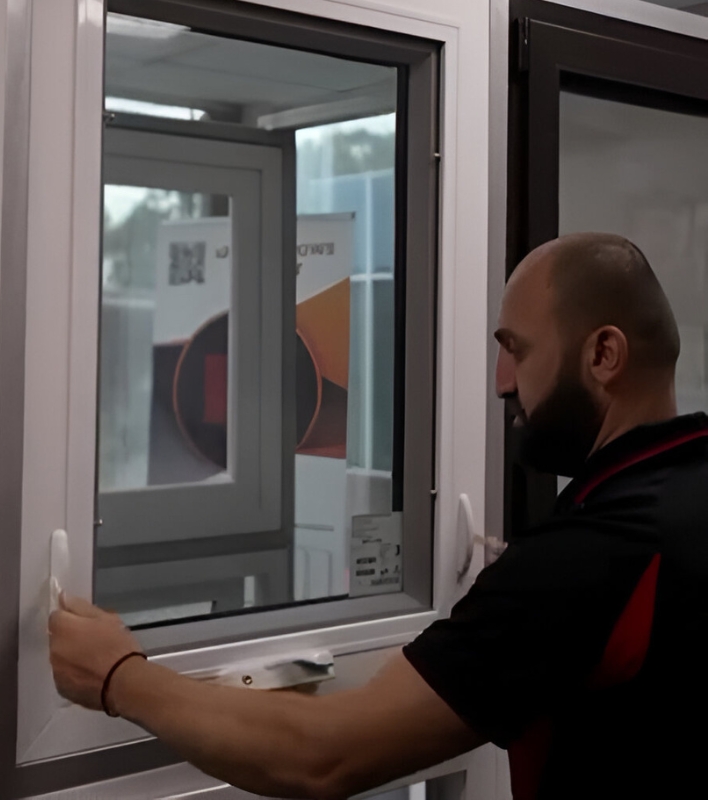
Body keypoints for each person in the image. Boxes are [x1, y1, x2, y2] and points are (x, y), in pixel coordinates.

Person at [50, 232, 708, 799]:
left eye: (518, 348)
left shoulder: (591, 557)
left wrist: (118, 677)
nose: (503, 380)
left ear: (603, 355)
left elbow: (324, 756)